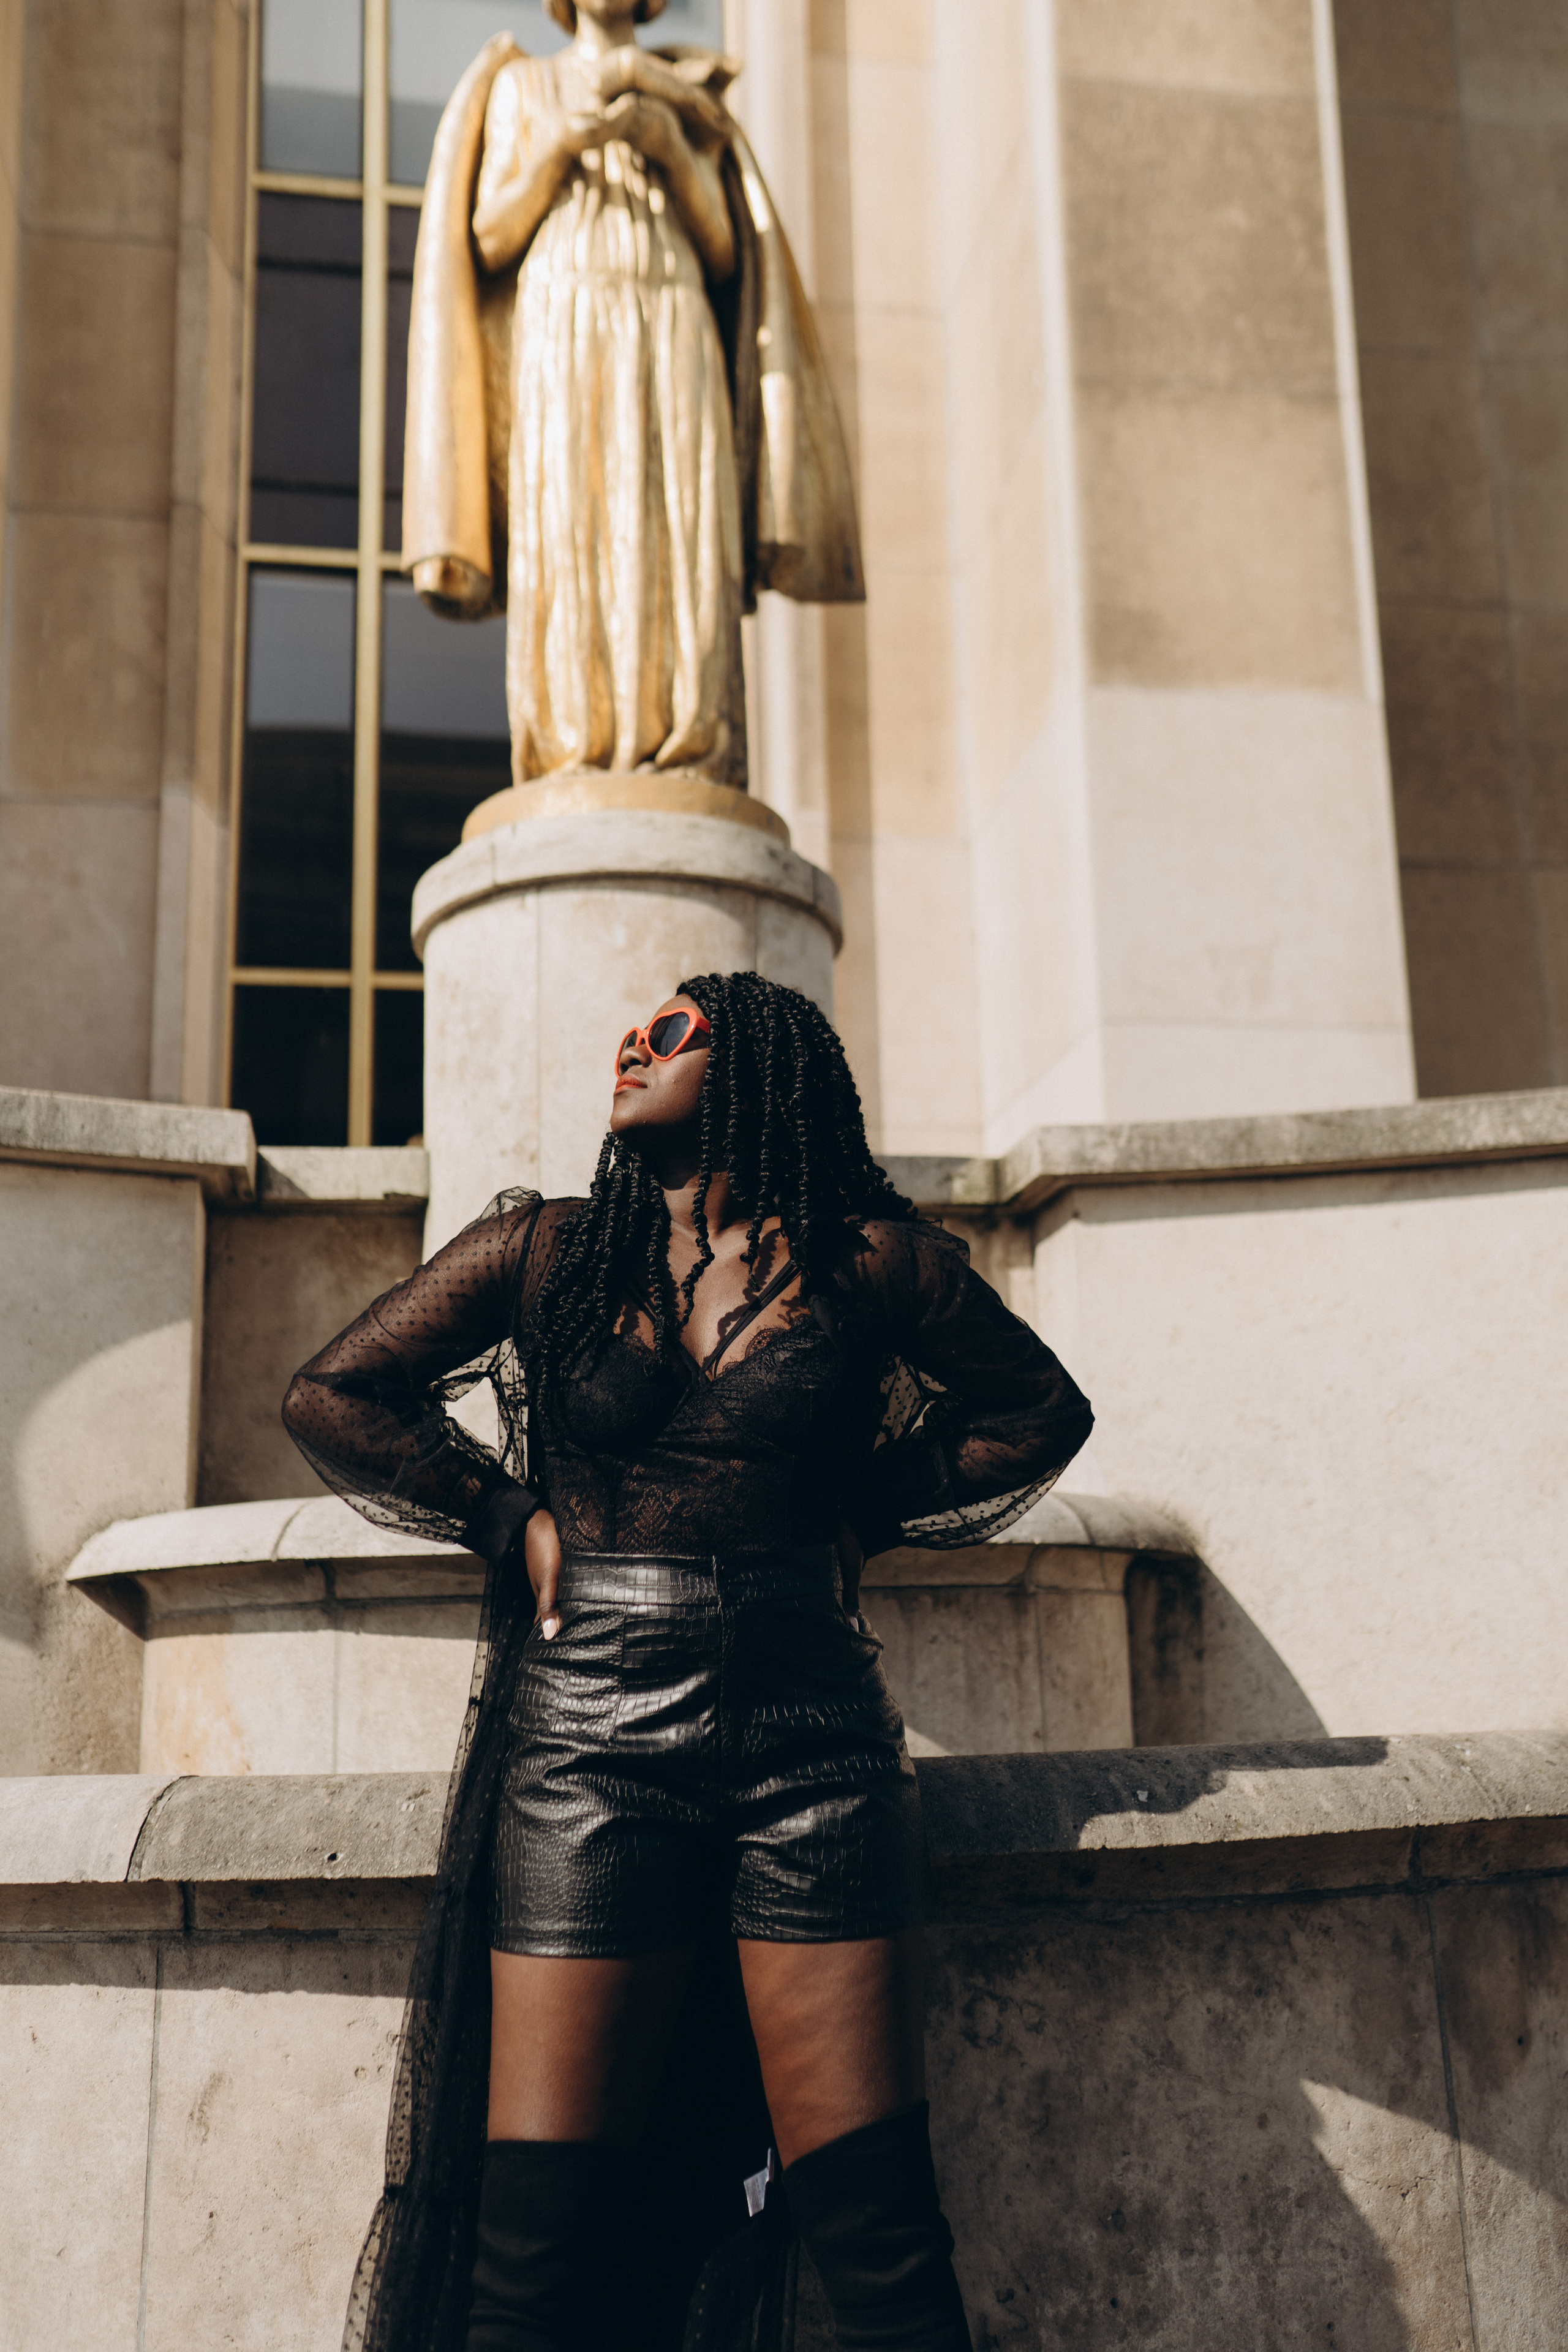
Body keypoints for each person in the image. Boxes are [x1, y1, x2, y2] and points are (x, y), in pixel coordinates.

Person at [282, 971, 1093, 2352]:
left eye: (672, 1033)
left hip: (814, 1742)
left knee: (882, 2238)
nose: (633, 1044)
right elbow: (334, 1393)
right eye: (630, 1030)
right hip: (589, 1733)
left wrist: (865, 1513)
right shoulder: (550, 1250)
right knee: (531, 2257)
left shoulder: (870, 1261)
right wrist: (502, 1514)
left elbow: (1036, 1409)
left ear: (759, 1067)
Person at [403, 0, 864, 793]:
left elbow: (724, 249)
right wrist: (557, 148)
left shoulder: (687, 98)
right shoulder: (523, 88)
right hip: (562, 319)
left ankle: (691, 737)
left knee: (676, 514)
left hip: (669, 313)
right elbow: (487, 235)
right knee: (573, 515)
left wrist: (672, 152)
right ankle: (573, 742)